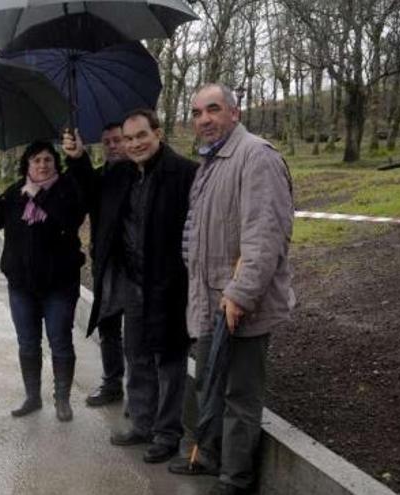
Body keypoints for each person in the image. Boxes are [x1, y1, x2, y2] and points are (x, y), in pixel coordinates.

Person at [168, 83, 293, 495]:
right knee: (209, 382)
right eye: (197, 112)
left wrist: (241, 294)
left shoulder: (255, 156)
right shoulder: (211, 162)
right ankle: (208, 455)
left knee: (240, 393)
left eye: (213, 110)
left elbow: (265, 234)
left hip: (239, 304)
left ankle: (235, 478)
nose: (203, 119)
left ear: (234, 113)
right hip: (209, 301)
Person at [63, 109, 197, 464]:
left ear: (158, 134)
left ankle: (167, 434)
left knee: (169, 362)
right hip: (134, 283)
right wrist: (77, 159)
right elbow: (91, 190)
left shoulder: (185, 174)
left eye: (141, 136)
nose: (135, 143)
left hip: (170, 286)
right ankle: (142, 422)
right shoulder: (124, 174)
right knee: (136, 356)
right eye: (129, 138)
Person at [0, 140, 86, 422]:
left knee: (60, 341)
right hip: (22, 285)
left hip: (59, 284)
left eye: (48, 159)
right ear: (28, 164)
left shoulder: (67, 189)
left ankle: (62, 399)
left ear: (55, 163)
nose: (42, 165)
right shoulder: (15, 192)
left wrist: (37, 196)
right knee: (27, 342)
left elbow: (69, 220)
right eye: (36, 160)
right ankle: (32, 397)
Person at [85, 122, 127, 408]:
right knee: (108, 325)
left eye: (117, 140)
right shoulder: (98, 178)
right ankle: (112, 383)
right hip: (105, 262)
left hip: (134, 265)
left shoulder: (140, 175)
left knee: (138, 332)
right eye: (107, 141)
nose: (112, 146)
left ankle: (140, 395)